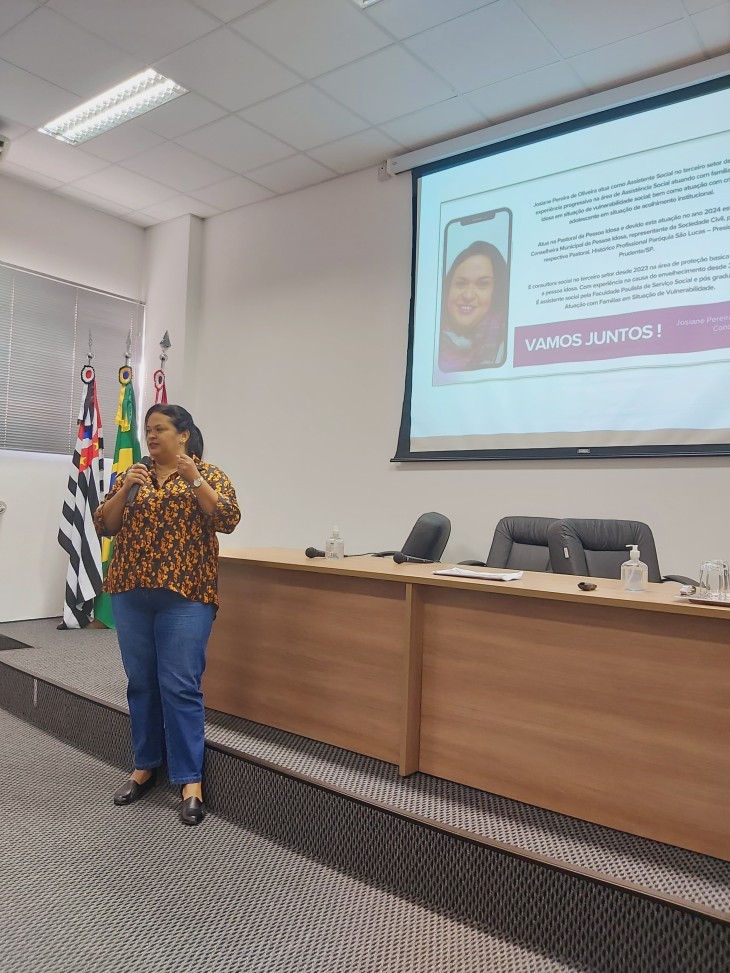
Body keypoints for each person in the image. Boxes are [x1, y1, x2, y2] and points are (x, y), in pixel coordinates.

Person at [94, 404, 240, 826]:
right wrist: (125, 488)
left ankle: (190, 780)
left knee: (180, 685)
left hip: (186, 595)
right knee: (141, 682)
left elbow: (228, 518)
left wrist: (194, 479)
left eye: (160, 429)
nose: (152, 436)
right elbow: (105, 525)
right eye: (148, 430)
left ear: (184, 434)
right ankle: (144, 766)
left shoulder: (208, 474)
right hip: (131, 592)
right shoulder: (133, 474)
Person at [438, 241, 509, 372]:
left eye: (482, 284)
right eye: (461, 283)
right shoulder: (426, 343)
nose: (468, 295)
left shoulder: (508, 344)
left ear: (497, 292)